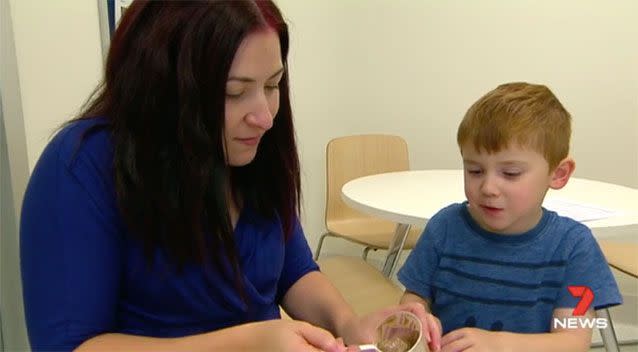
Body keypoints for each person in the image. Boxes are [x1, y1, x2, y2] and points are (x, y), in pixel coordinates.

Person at [19, 1, 435, 351]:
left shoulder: (252, 152)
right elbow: (70, 345)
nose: (265, 117)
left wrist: (348, 324)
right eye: (233, 93)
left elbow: (295, 272)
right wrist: (249, 342)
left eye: (273, 85)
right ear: (162, 87)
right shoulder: (81, 169)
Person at [397, 82, 622, 352]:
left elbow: (573, 341)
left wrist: (498, 344)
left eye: (511, 173)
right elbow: (415, 297)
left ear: (558, 174)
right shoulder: (444, 227)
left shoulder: (575, 246)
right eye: (475, 171)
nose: (488, 188)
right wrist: (414, 316)